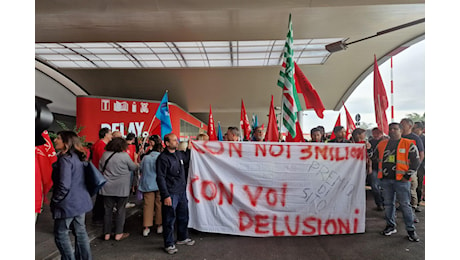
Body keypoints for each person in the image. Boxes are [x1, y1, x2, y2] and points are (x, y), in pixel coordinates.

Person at [374, 123, 420, 242]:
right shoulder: (382, 144)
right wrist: (368, 147)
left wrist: (407, 175)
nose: (392, 131)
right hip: (386, 180)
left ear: (401, 130)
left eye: (395, 129)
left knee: (405, 205)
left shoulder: (408, 143)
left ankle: (411, 230)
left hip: (402, 181)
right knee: (388, 205)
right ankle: (390, 226)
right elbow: (374, 157)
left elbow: (416, 161)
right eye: (390, 129)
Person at [51, 131, 93, 259]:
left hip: (67, 204)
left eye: (58, 138)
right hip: (80, 201)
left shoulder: (65, 159)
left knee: (61, 234)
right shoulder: (78, 157)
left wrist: (56, 199)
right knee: (80, 232)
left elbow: (64, 185)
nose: (55, 140)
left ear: (66, 142)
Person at [156, 133, 195, 254]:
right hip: (171, 193)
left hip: (181, 192)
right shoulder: (162, 158)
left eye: (177, 140)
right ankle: (169, 244)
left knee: (183, 216)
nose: (177, 142)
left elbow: (187, 158)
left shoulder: (179, 154)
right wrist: (165, 195)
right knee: (169, 220)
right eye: (174, 140)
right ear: (167, 143)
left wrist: (189, 148)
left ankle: (182, 238)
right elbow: (160, 178)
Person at [99, 137, 139, 241]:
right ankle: (118, 233)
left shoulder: (105, 155)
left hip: (107, 187)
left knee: (107, 211)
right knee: (121, 210)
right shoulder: (124, 156)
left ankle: (106, 234)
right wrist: (136, 159)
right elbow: (133, 168)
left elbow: (100, 168)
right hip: (122, 188)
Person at [139, 135, 164, 236]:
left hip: (147, 184)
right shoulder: (161, 157)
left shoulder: (145, 158)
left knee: (147, 206)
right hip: (159, 184)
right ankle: (159, 225)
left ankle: (146, 227)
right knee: (159, 205)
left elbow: (140, 169)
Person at [400, 118, 424, 215]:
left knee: (413, 188)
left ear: (410, 126)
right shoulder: (398, 137)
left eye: (403, 124)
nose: (401, 126)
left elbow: (421, 154)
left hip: (412, 168)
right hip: (400, 168)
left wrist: (415, 168)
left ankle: (414, 207)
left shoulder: (415, 138)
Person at [91, 127, 112, 223]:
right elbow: (103, 160)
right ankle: (98, 216)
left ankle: (98, 215)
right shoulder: (101, 145)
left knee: (101, 196)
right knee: (101, 196)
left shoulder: (99, 144)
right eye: (110, 133)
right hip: (100, 173)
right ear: (106, 134)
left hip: (99, 172)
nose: (111, 135)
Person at [368, 127, 386, 211]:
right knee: (375, 187)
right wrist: (370, 167)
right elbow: (369, 156)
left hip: (385, 168)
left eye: (378, 133)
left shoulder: (387, 141)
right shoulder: (370, 142)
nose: (376, 135)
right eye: (374, 133)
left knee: (385, 187)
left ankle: (386, 203)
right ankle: (379, 203)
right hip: (375, 167)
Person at [412, 121, 425, 206]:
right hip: (411, 164)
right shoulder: (411, 137)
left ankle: (418, 203)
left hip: (421, 165)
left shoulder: (424, 139)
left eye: (414, 128)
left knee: (419, 184)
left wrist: (419, 163)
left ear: (421, 129)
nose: (413, 130)